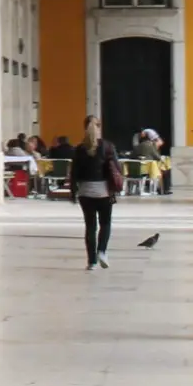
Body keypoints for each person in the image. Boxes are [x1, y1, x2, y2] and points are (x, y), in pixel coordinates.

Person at [69, 115, 120, 270]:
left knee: (90, 226)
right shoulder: (108, 146)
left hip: (85, 193)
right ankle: (102, 251)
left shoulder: (79, 149)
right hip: (105, 192)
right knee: (105, 223)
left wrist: (73, 192)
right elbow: (116, 168)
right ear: (99, 127)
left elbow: (74, 173)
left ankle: (91, 262)